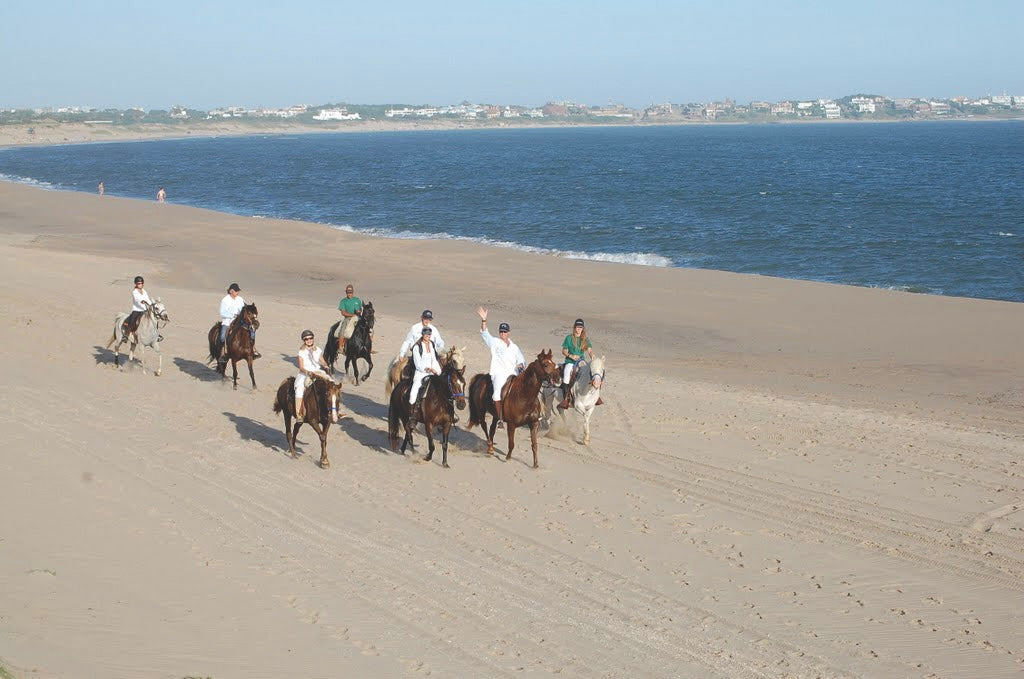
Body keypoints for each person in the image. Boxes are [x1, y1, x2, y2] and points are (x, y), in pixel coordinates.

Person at [477, 306, 525, 426]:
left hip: (513, 373)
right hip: (499, 373)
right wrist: (484, 320)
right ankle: (499, 418)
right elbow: (485, 334)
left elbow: (521, 359)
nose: (503, 333)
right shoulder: (495, 342)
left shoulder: (514, 346)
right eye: (501, 332)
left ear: (508, 332)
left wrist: (520, 365)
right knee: (496, 394)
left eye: (505, 331)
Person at [558, 318, 602, 409]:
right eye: (577, 327)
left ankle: (596, 397)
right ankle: (566, 399)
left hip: (581, 362)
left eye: (580, 327)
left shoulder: (585, 339)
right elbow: (564, 350)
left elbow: (589, 350)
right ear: (574, 328)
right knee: (566, 374)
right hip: (570, 362)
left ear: (583, 329)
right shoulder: (569, 338)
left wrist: (593, 356)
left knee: (593, 373)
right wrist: (571, 356)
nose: (579, 329)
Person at [407, 326, 442, 428]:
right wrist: (428, 369)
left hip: (433, 372)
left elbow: (434, 360)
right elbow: (418, 364)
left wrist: (438, 371)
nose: (428, 336)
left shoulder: (431, 344)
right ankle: (412, 415)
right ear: (423, 335)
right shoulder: (417, 347)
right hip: (421, 373)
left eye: (429, 335)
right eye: (426, 334)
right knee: (413, 393)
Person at [294, 329, 333, 421]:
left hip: (317, 371)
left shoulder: (318, 349)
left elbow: (322, 360)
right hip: (305, 373)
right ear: (304, 341)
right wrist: (308, 372)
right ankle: (299, 413)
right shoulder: (301, 352)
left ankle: (336, 410)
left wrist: (326, 366)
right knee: (299, 389)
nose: (309, 340)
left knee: (332, 385)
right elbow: (301, 367)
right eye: (306, 339)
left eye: (310, 338)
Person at [219, 283, 260, 359]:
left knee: (252, 331)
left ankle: (253, 349)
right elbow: (222, 312)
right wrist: (233, 314)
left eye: (238, 291)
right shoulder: (225, 300)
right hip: (228, 321)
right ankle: (223, 352)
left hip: (240, 321)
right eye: (236, 291)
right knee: (222, 336)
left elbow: (245, 308)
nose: (237, 292)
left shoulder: (240, 299)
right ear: (231, 291)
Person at [122, 275, 152, 342]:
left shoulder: (144, 291)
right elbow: (137, 300)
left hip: (145, 310)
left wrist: (151, 305)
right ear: (136, 284)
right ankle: (126, 335)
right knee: (132, 321)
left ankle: (156, 334)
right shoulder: (134, 292)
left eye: (141, 283)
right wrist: (142, 301)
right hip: (137, 310)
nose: (140, 285)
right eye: (138, 283)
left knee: (153, 319)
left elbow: (148, 299)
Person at [335, 283, 363, 352]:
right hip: (348, 318)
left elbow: (361, 308)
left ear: (353, 292)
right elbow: (343, 312)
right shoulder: (343, 301)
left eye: (350, 292)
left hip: (358, 317)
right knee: (342, 330)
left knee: (369, 330)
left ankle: (369, 348)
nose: (349, 294)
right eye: (348, 292)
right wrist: (352, 315)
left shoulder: (357, 300)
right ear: (346, 292)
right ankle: (340, 347)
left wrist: (359, 311)